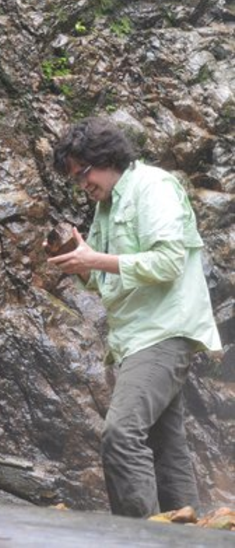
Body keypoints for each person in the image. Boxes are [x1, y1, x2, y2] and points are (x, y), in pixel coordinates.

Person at [48, 116, 221, 518]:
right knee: (166, 447)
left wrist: (95, 257)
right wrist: (82, 266)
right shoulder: (107, 207)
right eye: (75, 179)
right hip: (135, 336)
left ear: (105, 156)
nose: (81, 184)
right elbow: (111, 280)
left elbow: (168, 262)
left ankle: (138, 539)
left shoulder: (153, 187)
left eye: (83, 173)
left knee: (121, 434)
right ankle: (185, 538)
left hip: (164, 332)